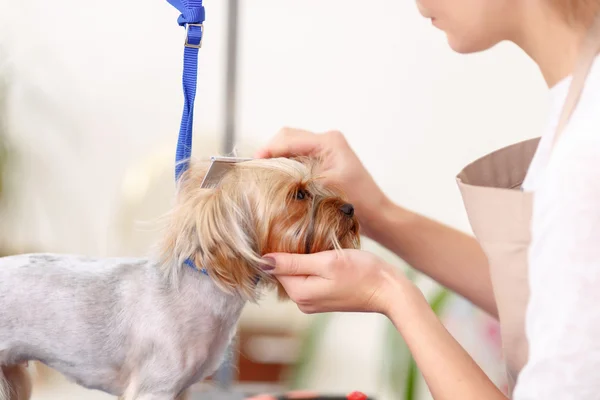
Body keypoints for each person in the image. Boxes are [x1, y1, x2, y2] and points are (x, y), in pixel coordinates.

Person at [247, 1, 600, 399]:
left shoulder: (585, 151)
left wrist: (389, 293)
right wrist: (378, 213)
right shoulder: (579, 108)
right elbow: (550, 294)